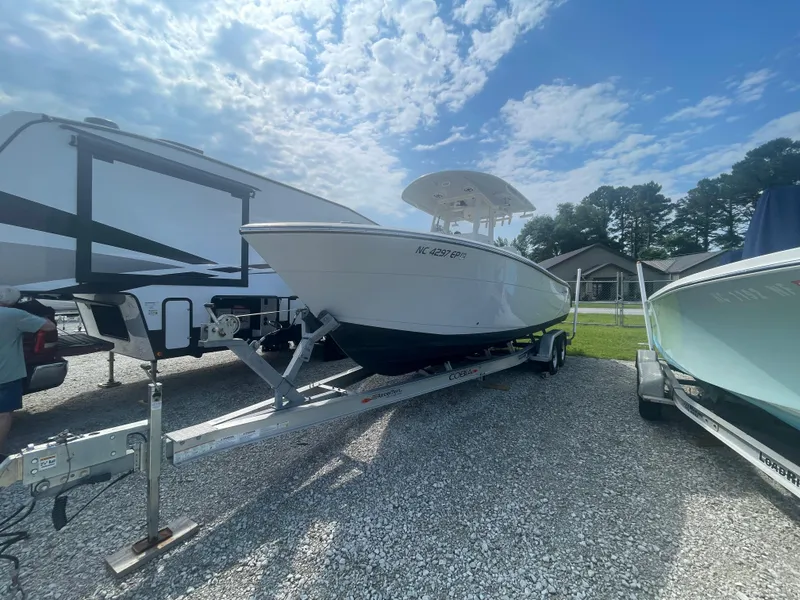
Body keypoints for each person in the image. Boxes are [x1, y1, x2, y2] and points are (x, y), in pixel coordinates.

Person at [0, 286, 56, 459]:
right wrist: (31, 312)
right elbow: (49, 326)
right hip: (6, 373)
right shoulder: (14, 315)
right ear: (12, 302)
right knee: (3, 414)